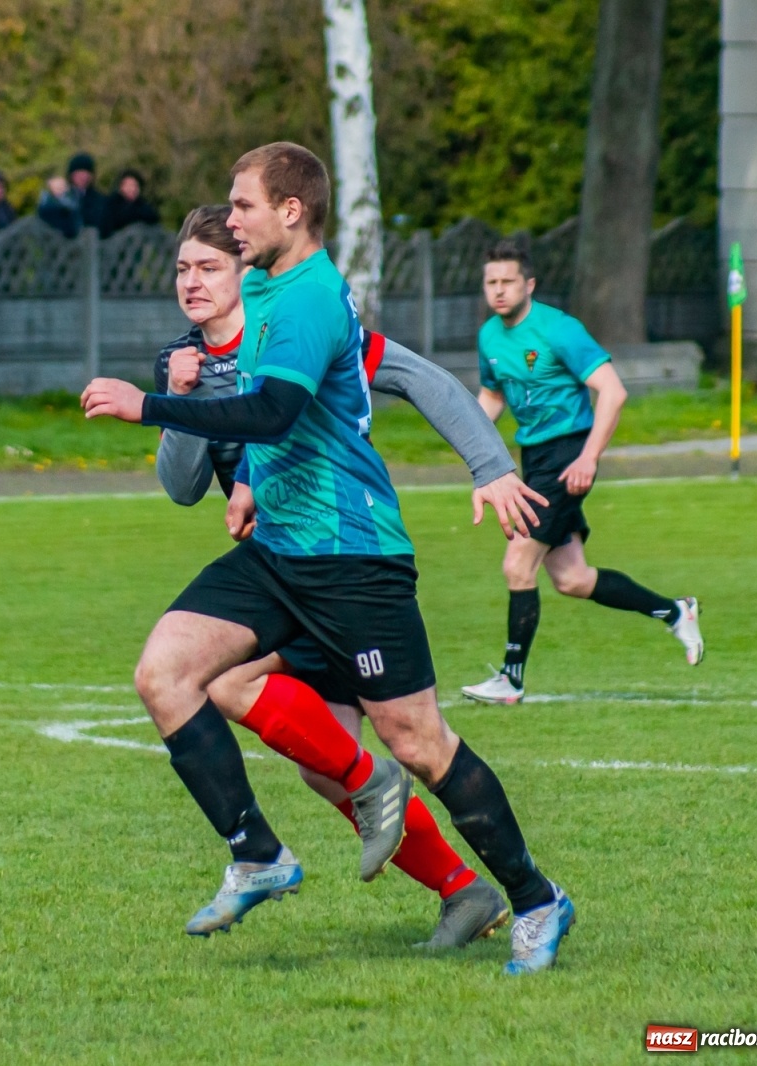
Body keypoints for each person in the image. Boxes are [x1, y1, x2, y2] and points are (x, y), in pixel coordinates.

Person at [81, 142, 576, 975]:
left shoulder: (307, 298)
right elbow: (267, 429)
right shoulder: (268, 290)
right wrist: (243, 472)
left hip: (353, 560)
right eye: (195, 255)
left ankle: (534, 899)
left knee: (419, 742)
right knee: (168, 672)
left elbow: (280, 410)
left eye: (238, 211)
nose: (227, 228)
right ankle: (257, 854)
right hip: (280, 552)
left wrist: (149, 407)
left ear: (290, 212)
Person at [156, 204, 544, 946]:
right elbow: (179, 485)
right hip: (280, 570)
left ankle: (516, 888)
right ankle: (459, 887)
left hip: (347, 560)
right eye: (183, 268)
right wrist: (182, 402)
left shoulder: (305, 328)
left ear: (247, 274)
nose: (193, 282)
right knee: (304, 748)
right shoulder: (189, 360)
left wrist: (492, 465)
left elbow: (420, 381)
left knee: (409, 740)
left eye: (209, 266)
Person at [460, 239, 704, 705]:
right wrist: (465, 433)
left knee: (517, 563)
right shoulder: (489, 335)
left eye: (508, 281)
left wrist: (588, 457)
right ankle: (676, 612)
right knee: (572, 579)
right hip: (534, 460)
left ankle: (511, 680)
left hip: (567, 454)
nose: (499, 290)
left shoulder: (559, 330)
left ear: (529, 284)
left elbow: (612, 392)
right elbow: (493, 396)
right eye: (491, 282)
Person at [36, 152, 105, 237]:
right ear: (71, 174)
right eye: (79, 172)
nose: (83, 176)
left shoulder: (100, 199)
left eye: (86, 173)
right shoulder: (61, 197)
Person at [100, 169, 161, 238]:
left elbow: (153, 217)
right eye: (129, 185)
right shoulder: (111, 204)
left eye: (135, 186)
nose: (132, 189)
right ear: (121, 187)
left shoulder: (142, 205)